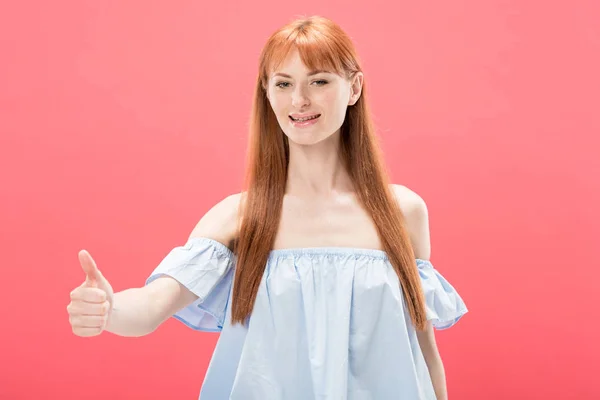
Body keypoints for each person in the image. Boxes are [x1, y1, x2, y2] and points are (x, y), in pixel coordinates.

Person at [67, 15, 468, 400]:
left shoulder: (403, 212)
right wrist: (109, 308)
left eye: (320, 80)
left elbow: (422, 350)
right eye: (284, 83)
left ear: (355, 88)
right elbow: (154, 306)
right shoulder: (238, 218)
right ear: (267, 90)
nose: (300, 100)